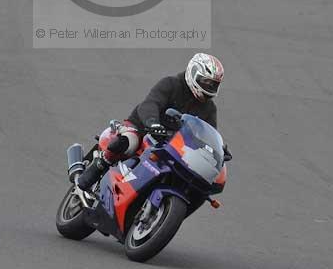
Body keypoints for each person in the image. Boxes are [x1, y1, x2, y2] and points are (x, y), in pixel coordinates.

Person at [77, 53, 230, 191]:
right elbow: (151, 104)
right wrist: (152, 123)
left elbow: (207, 132)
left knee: (192, 181)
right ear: (193, 72)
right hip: (143, 128)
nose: (209, 87)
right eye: (205, 82)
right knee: (126, 143)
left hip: (174, 147)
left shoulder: (209, 108)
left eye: (213, 84)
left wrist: (218, 152)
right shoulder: (171, 84)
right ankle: (98, 167)